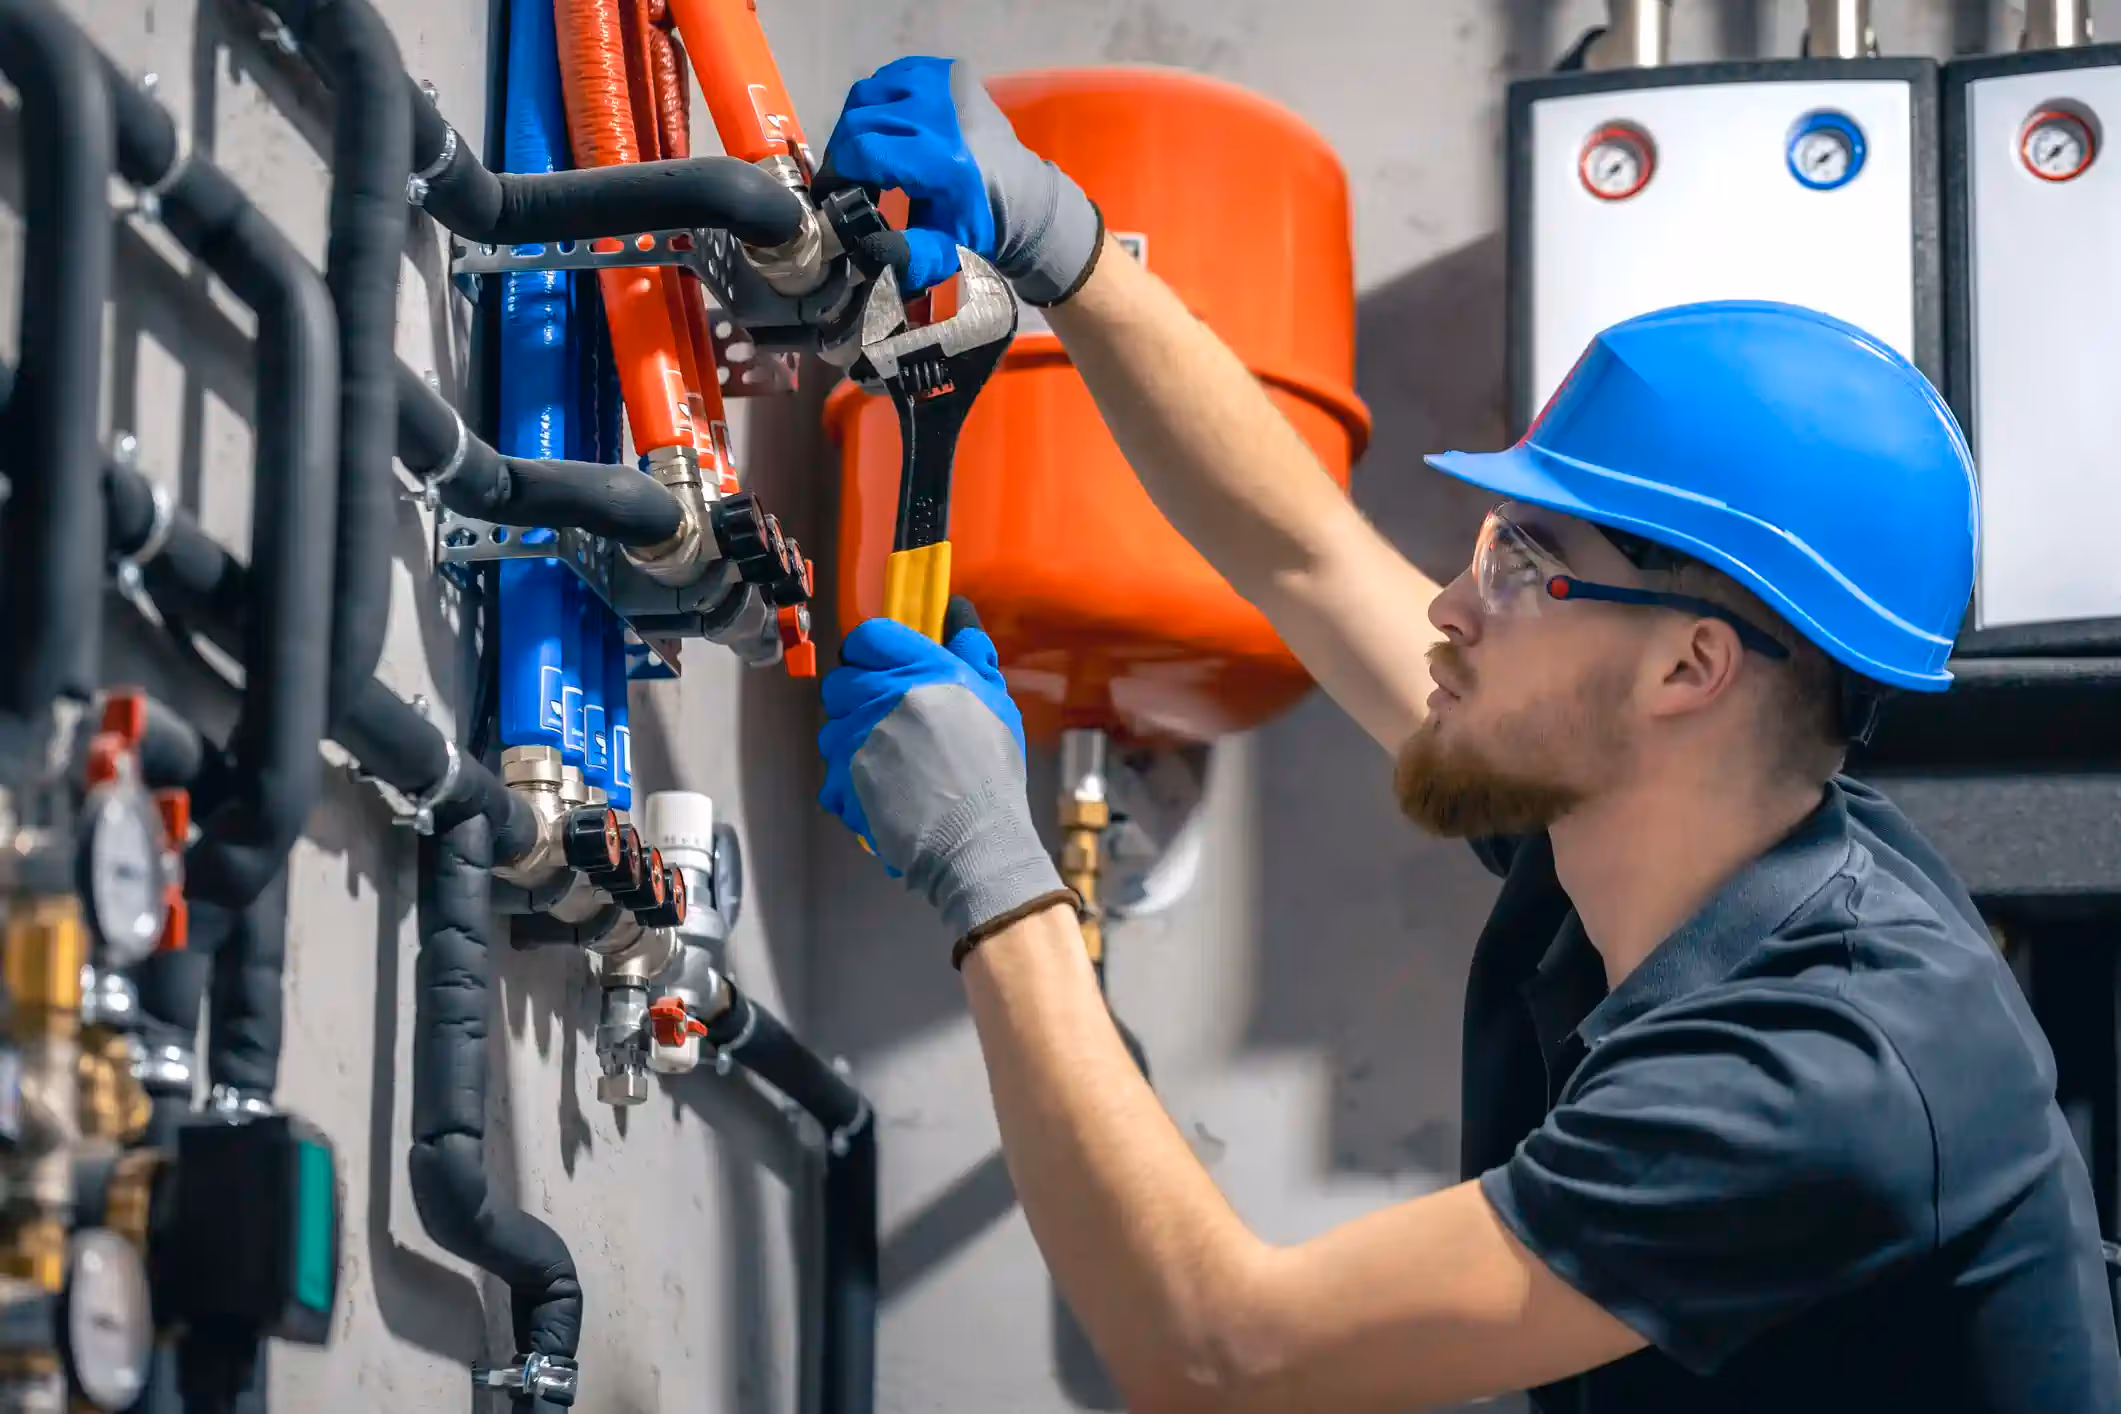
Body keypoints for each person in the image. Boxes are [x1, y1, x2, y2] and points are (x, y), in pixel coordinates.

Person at [811, 56, 2121, 1414]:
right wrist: (1065, 244)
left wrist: (991, 869)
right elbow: (1305, 551)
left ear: (1690, 664)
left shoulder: (1826, 1062)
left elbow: (1219, 1355)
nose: (1448, 601)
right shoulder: (1650, 818)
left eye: (1522, 563)